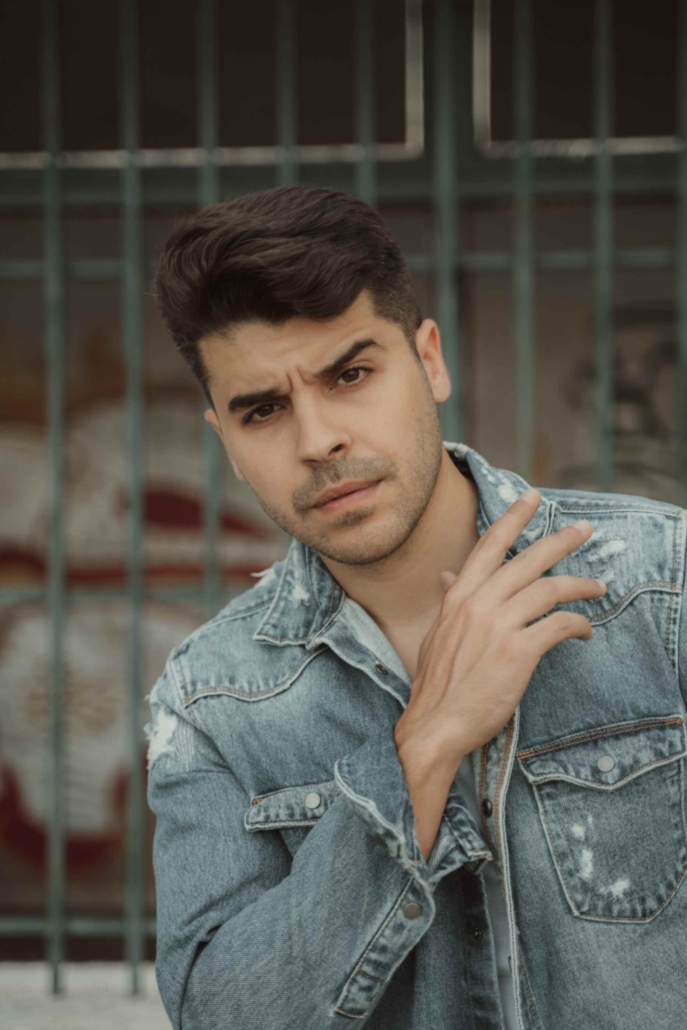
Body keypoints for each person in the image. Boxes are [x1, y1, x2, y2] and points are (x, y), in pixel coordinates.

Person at [145, 184, 687, 1030]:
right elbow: (221, 1015)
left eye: (350, 374)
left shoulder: (663, 584)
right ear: (228, 442)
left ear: (429, 361)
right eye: (264, 409)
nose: (318, 440)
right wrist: (419, 750)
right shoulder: (209, 699)